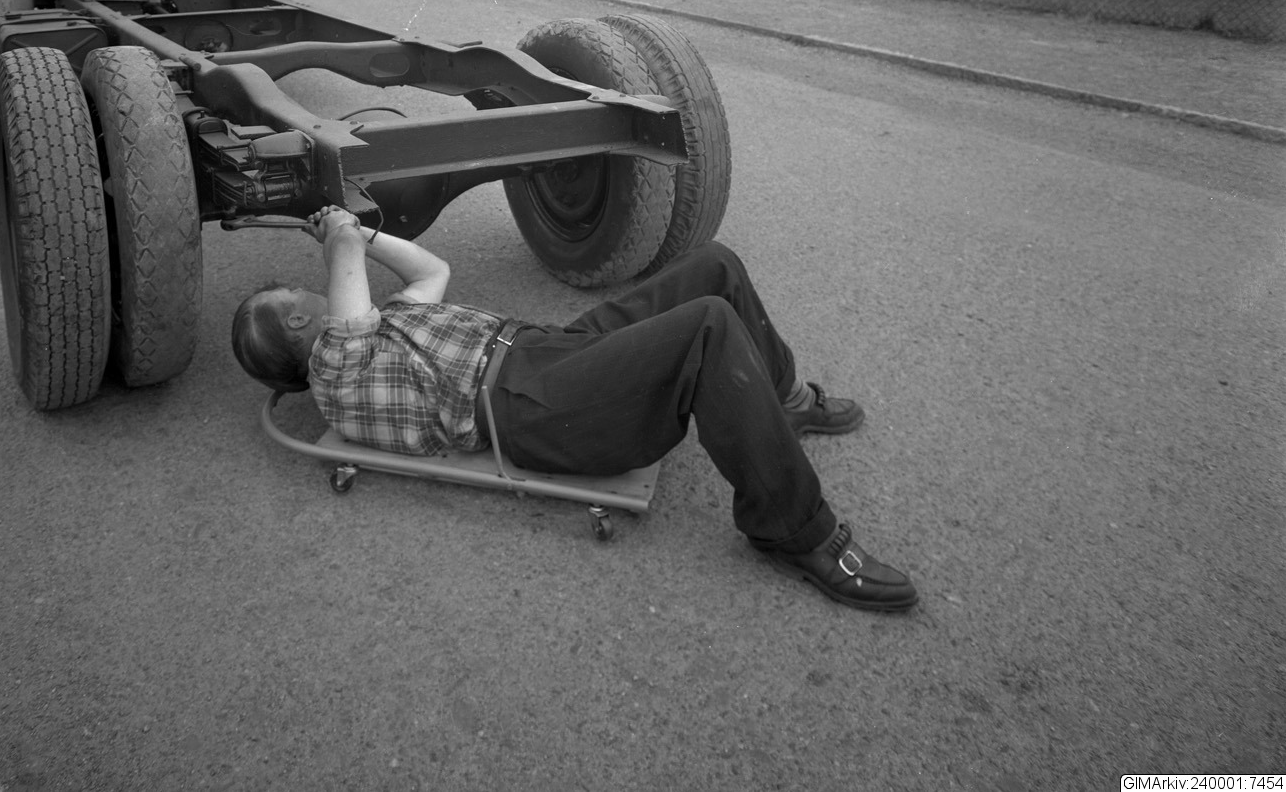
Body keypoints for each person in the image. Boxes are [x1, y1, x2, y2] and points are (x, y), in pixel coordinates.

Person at [233, 206, 918, 613]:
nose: (311, 292)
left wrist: (362, 235)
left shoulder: (380, 329)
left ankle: (782, 402)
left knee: (714, 263)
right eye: (294, 298)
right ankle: (795, 530)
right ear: (297, 327)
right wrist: (339, 235)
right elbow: (347, 283)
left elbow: (430, 272)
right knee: (707, 325)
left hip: (542, 352)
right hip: (530, 407)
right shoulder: (337, 375)